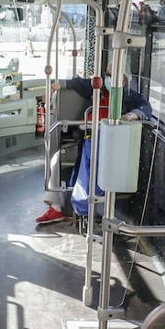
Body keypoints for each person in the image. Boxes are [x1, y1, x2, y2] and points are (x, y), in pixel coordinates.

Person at [36, 74, 152, 225]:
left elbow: (145, 109)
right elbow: (75, 83)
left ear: (123, 81)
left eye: (113, 75)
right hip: (88, 136)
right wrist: (51, 88)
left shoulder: (130, 97)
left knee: (92, 172)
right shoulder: (98, 88)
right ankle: (57, 208)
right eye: (108, 74)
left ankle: (87, 209)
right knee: (56, 161)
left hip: (112, 142)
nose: (109, 78)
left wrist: (130, 116)